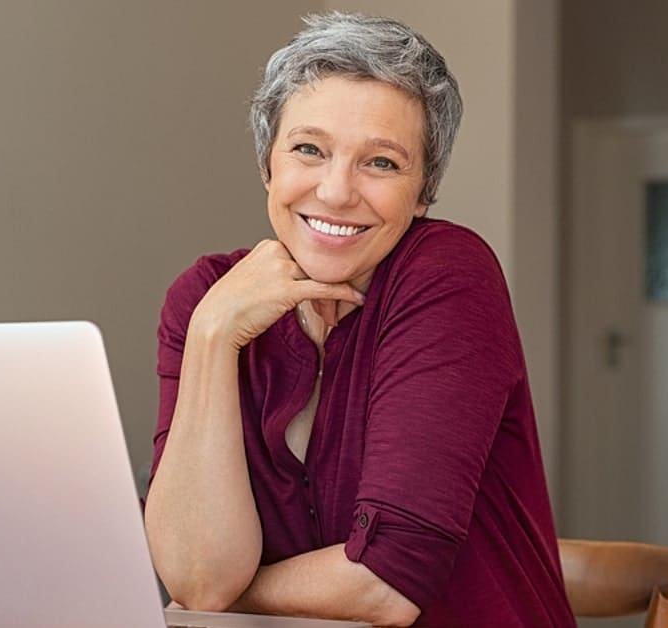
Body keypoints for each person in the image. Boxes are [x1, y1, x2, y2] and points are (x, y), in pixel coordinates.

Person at [144, 12, 574, 627]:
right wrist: (214, 337)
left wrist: (230, 595)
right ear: (268, 163)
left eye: (382, 163)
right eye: (308, 150)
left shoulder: (448, 276)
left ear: (424, 192)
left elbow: (385, 588)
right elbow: (195, 574)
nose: (337, 192)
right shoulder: (208, 298)